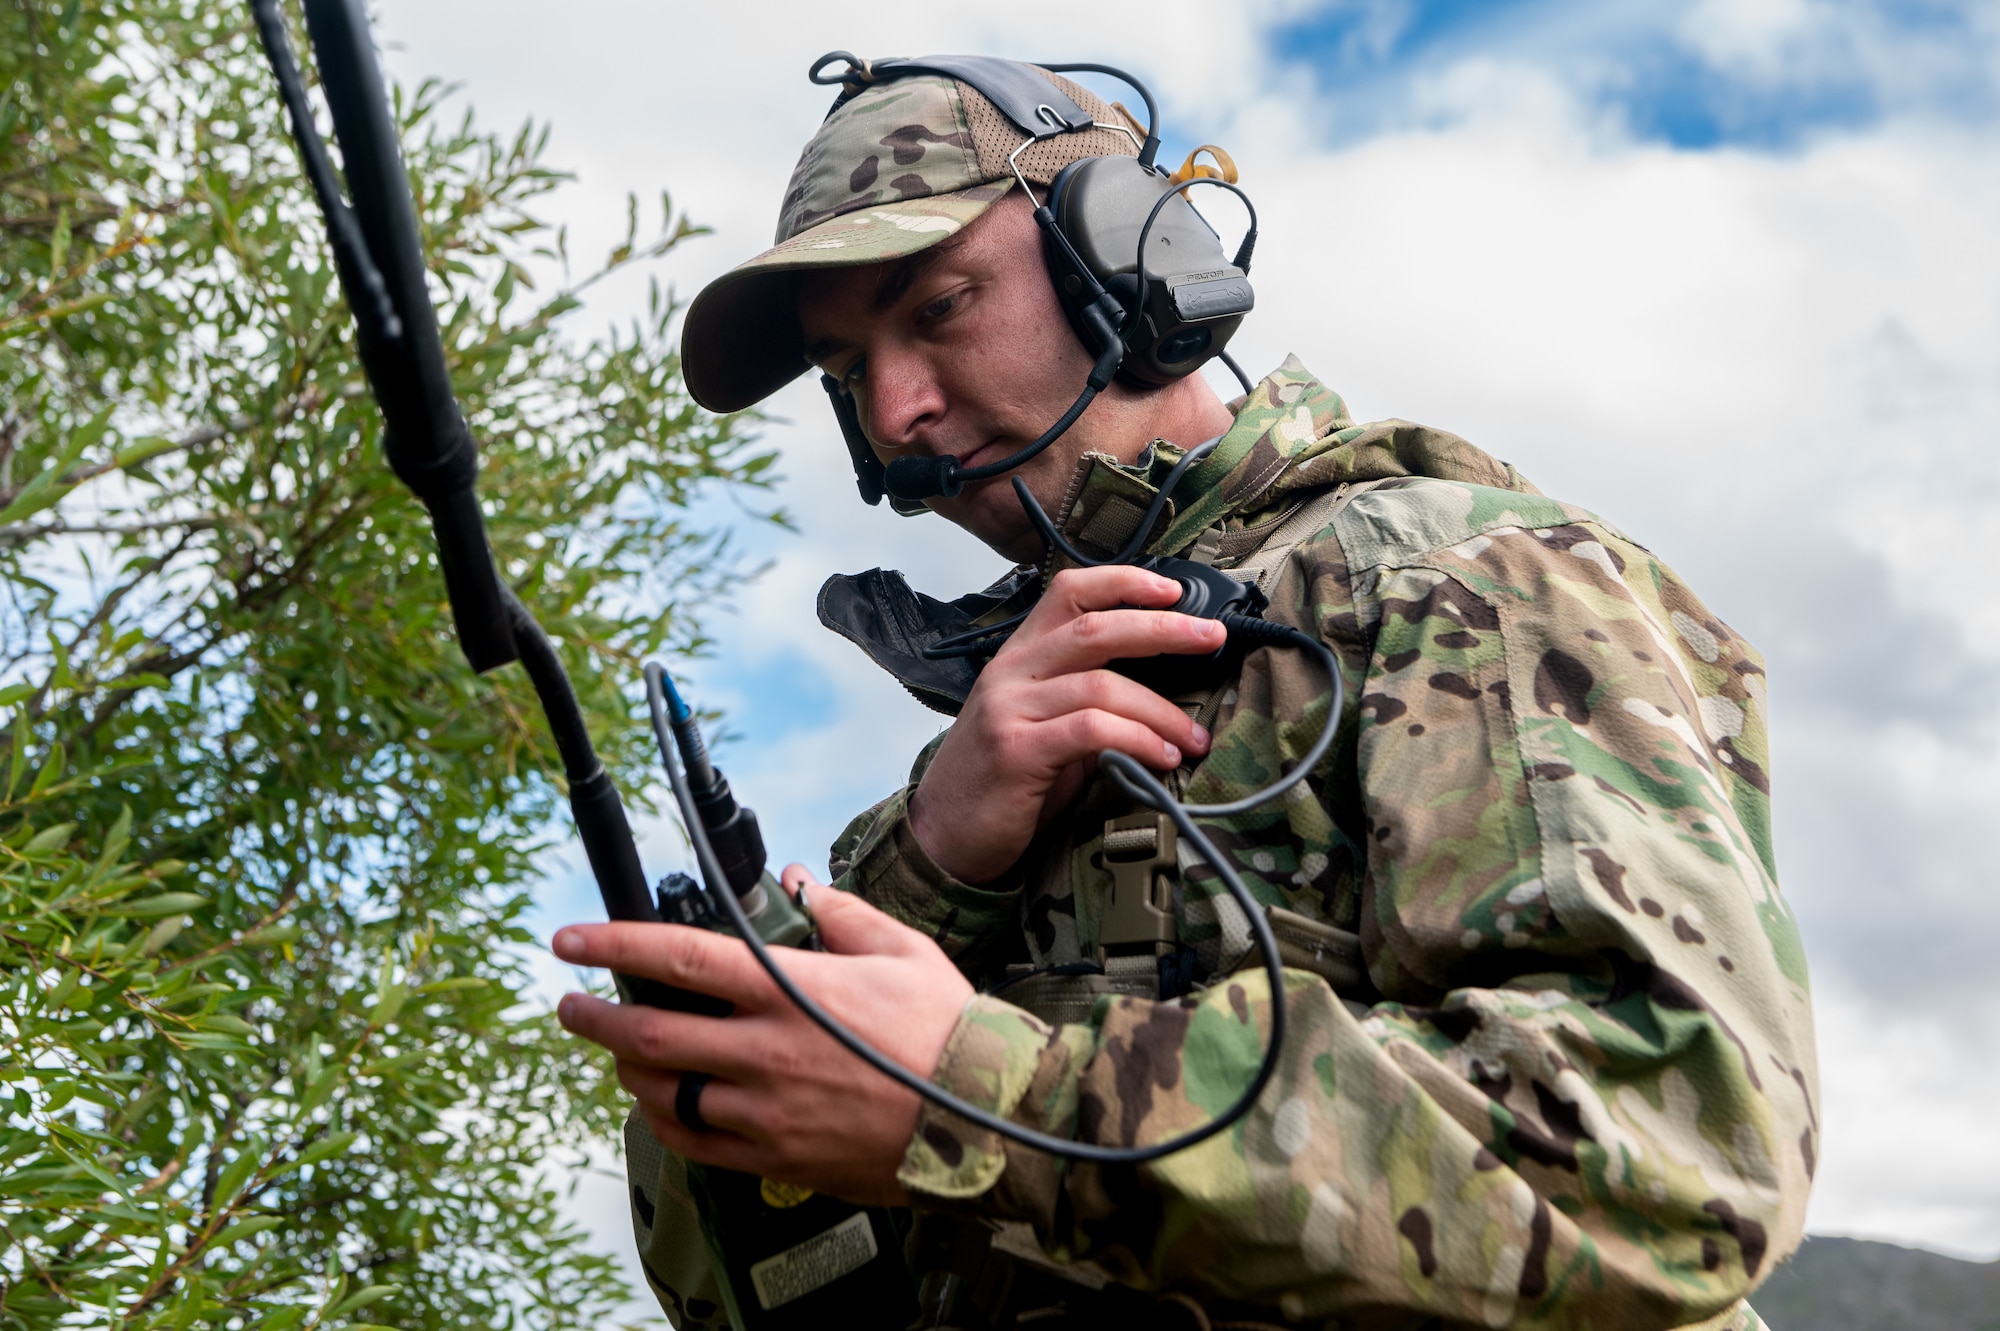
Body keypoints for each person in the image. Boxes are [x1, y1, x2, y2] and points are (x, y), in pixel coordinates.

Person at [551, 55, 1819, 1330]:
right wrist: (930, 864)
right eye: (845, 370)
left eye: (937, 306)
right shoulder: (985, 765)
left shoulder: (1452, 579)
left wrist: (978, 1094)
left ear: (1127, 258)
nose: (895, 410)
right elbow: (747, 1284)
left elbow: (1662, 1159)